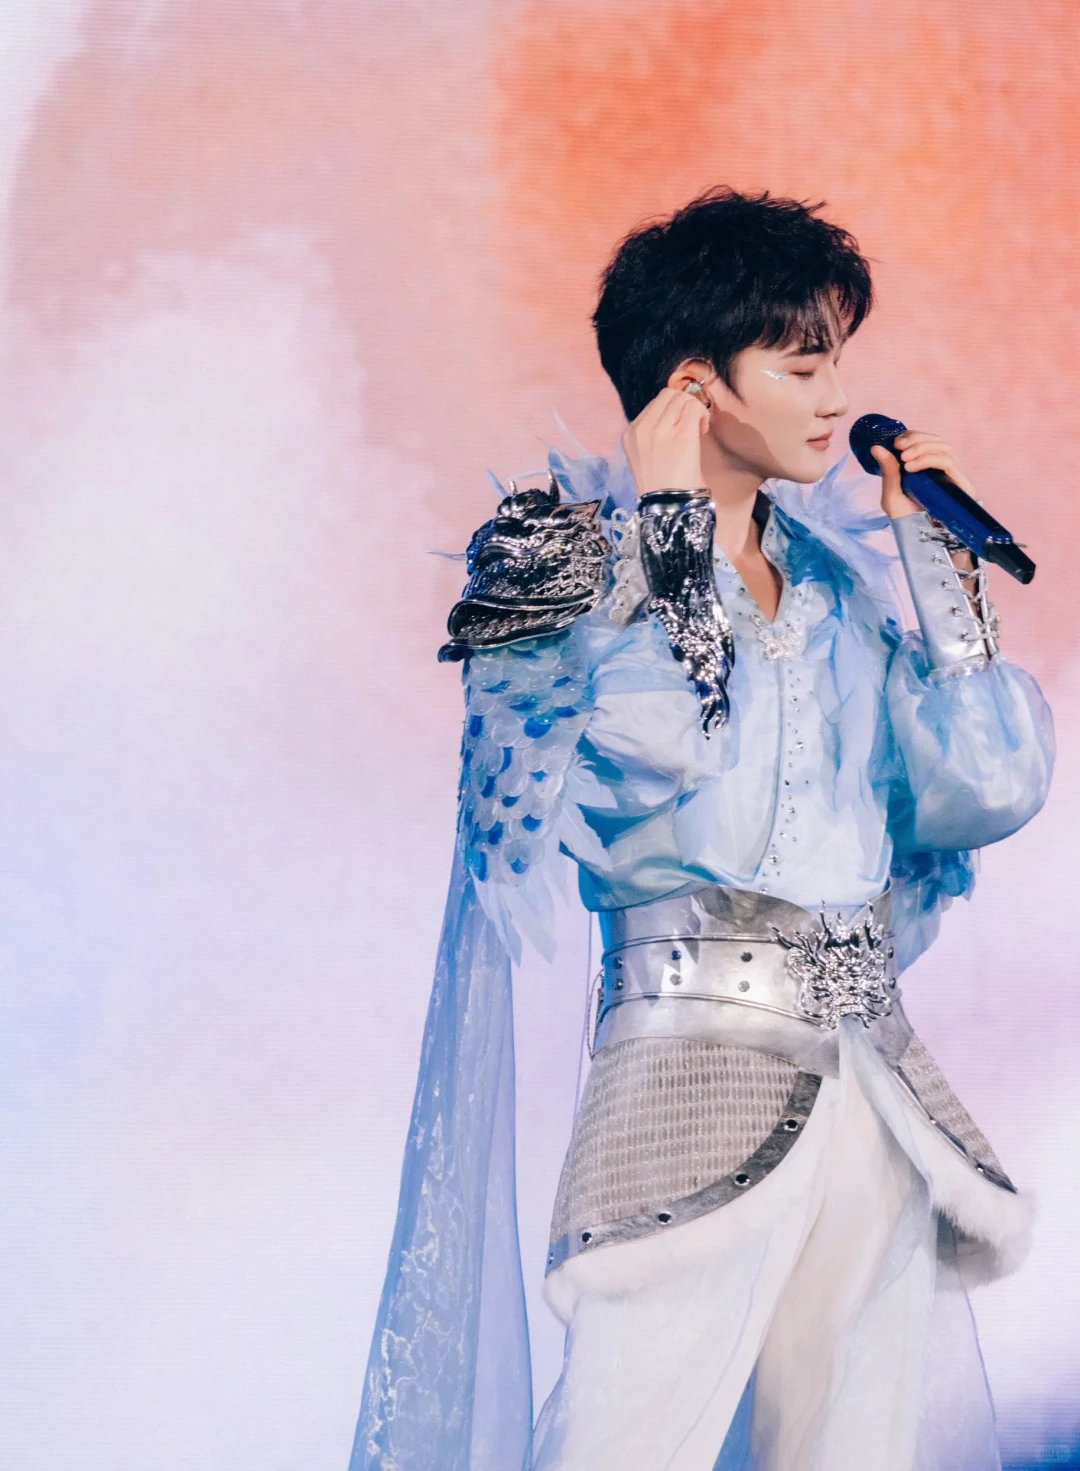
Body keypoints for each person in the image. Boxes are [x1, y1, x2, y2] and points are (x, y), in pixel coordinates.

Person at [351, 189, 1054, 1471]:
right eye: (801, 366)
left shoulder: (842, 585)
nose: (837, 400)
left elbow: (985, 794)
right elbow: (667, 747)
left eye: (838, 361)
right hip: (688, 1081)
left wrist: (934, 569)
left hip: (873, 1083)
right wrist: (672, 535)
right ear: (696, 385)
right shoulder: (562, 568)